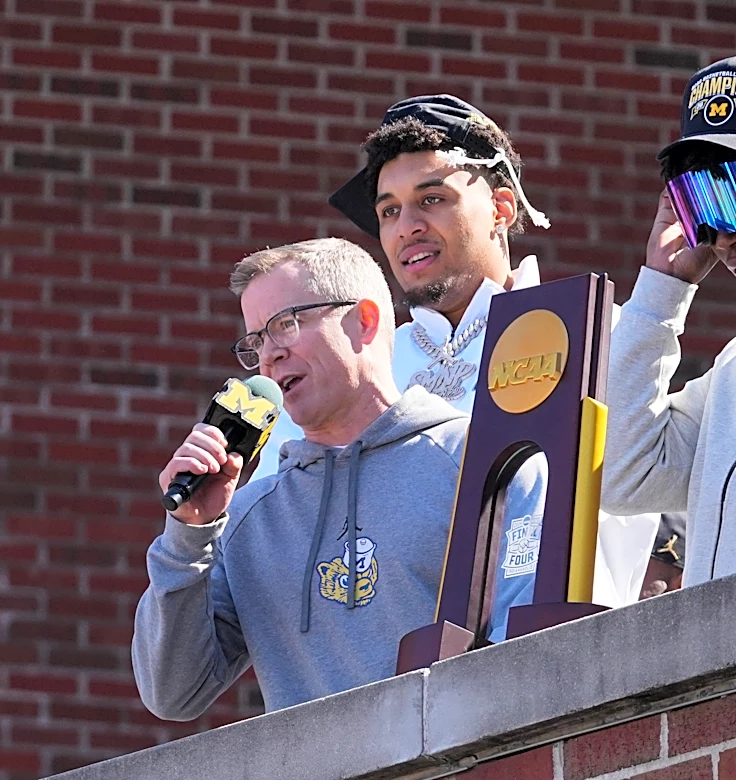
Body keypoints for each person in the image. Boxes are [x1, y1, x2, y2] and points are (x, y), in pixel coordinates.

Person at [132, 238, 543, 718]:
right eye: (255, 341)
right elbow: (172, 695)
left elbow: (528, 653)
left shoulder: (486, 460)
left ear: (364, 322)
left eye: (285, 325)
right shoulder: (247, 518)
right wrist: (188, 535)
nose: (269, 356)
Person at [328, 94, 658, 608]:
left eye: (432, 198)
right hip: (399, 671)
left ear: (502, 208)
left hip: (574, 661)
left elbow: (667, 488)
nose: (406, 225)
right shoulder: (373, 367)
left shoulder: (595, 332)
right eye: (388, 210)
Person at [601, 57, 736, 587]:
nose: (723, 235)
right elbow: (623, 475)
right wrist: (662, 290)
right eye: (702, 200)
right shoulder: (728, 375)